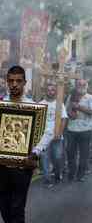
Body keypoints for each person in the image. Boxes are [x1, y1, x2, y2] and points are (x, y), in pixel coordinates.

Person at [0, 65, 51, 223]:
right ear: (7, 82)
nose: (14, 84)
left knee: (17, 207)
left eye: (18, 81)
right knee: (4, 207)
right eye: (11, 81)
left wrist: (35, 152)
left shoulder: (33, 107)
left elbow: (47, 132)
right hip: (1, 165)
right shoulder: (1, 105)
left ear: (24, 83)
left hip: (23, 166)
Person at [66, 79, 92, 182]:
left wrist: (78, 107)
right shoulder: (71, 97)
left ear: (86, 86)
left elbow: (91, 112)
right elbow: (67, 110)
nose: (81, 86)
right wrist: (70, 113)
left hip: (85, 130)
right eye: (79, 84)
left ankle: (80, 175)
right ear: (76, 86)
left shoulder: (90, 98)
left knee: (84, 154)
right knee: (70, 153)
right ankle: (71, 173)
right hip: (71, 129)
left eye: (83, 84)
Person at [39, 83, 68, 187]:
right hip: (44, 136)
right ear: (45, 91)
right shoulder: (41, 104)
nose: (50, 92)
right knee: (45, 158)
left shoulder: (59, 104)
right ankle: (47, 179)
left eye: (52, 90)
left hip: (57, 135)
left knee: (57, 156)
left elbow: (64, 119)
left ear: (55, 92)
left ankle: (57, 173)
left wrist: (59, 132)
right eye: (48, 90)